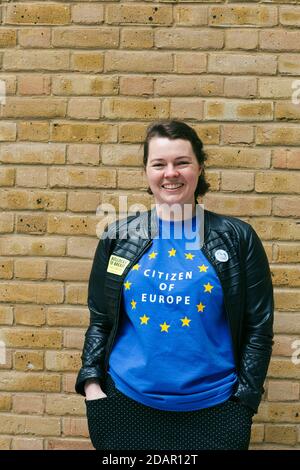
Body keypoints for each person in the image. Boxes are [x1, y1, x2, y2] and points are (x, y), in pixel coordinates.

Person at [75, 119, 274, 450]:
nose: (171, 173)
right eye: (159, 164)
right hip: (125, 405)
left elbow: (258, 328)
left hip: (215, 410)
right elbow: (101, 318)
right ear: (146, 172)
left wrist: (244, 403)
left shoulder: (237, 238)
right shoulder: (119, 237)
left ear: (199, 168)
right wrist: (93, 387)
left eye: (182, 162)